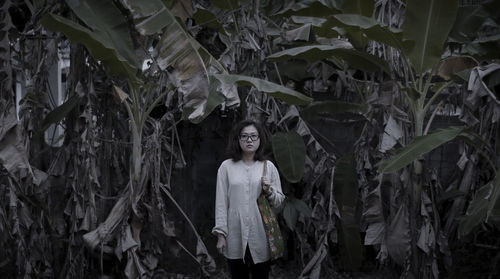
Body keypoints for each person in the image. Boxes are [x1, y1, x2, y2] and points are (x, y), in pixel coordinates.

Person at [212, 119, 285, 279]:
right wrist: (221, 235)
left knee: (261, 275)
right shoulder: (226, 167)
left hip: (261, 233)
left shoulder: (268, 167)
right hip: (235, 233)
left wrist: (269, 190)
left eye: (253, 136)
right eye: (244, 136)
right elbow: (221, 203)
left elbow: (279, 200)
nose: (249, 140)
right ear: (238, 140)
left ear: (260, 139)